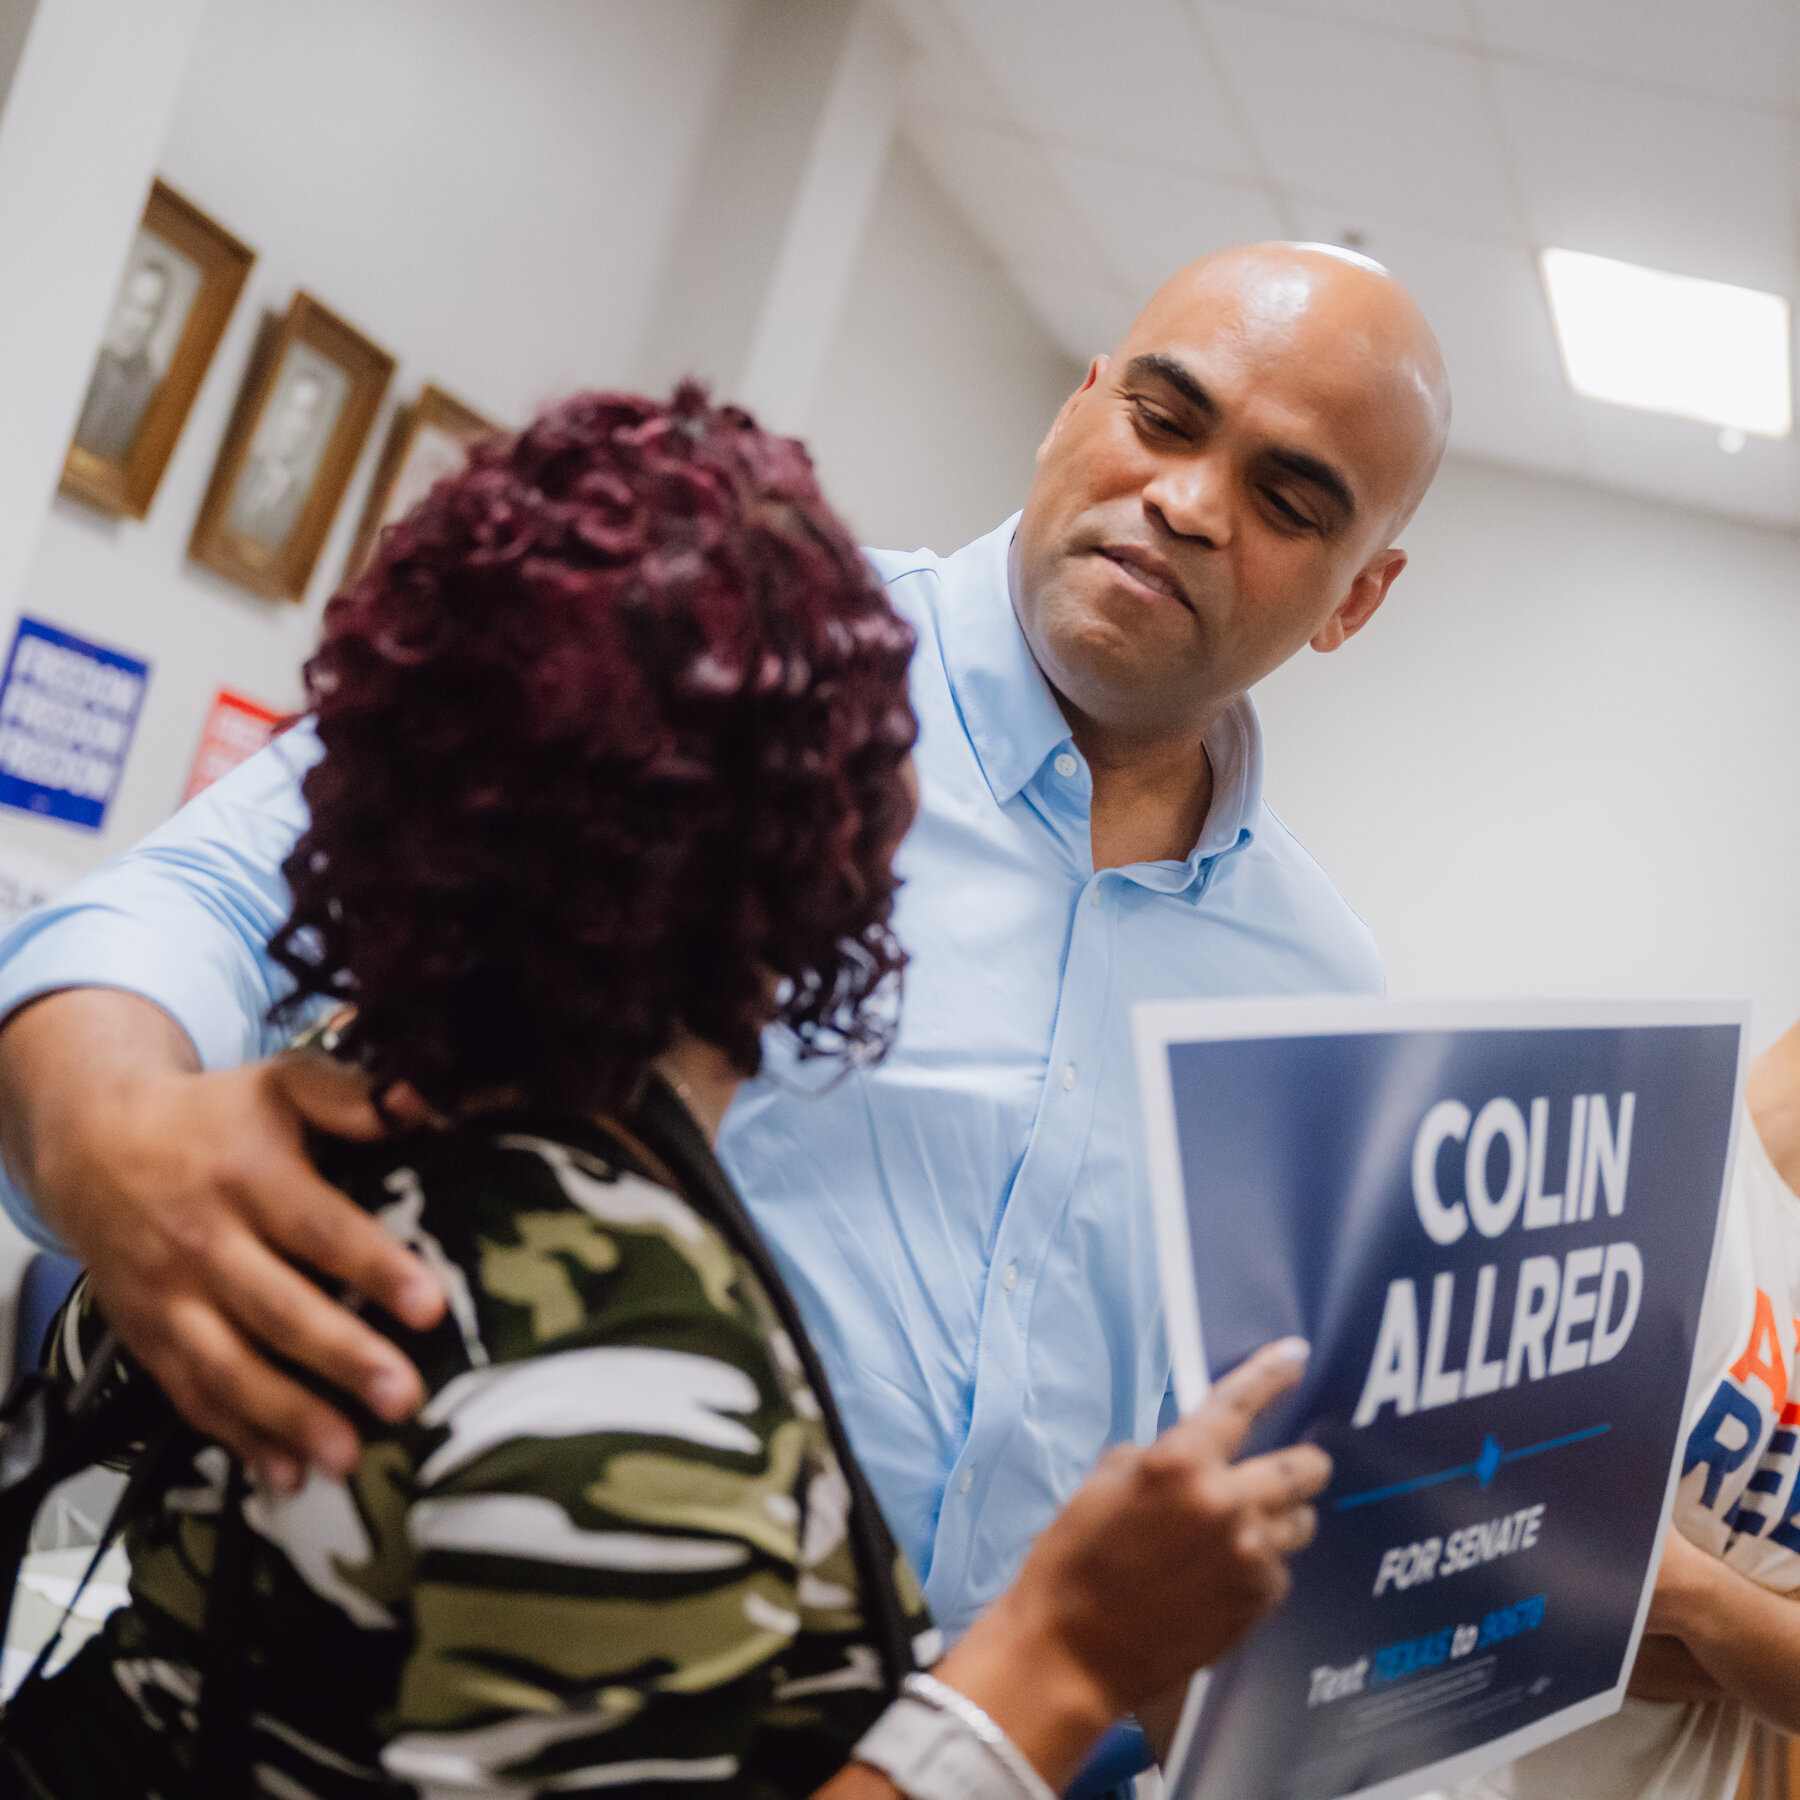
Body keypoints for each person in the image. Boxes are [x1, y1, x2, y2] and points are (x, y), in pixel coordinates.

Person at [0, 242, 1450, 1640]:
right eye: (1163, 417)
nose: (1187, 502)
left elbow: (1243, 1417)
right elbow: (202, 898)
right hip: (519, 1673)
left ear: (1360, 598)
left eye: (1287, 500)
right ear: (1077, 405)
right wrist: (108, 1129)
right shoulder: (734, 662)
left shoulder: (1317, 990)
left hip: (991, 1739)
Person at [1452, 1019, 1800, 1800]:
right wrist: (1755, 1635)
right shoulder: (1653, 1160)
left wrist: (1691, 1596)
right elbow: (1517, 1589)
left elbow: (1630, 1592)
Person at [73, 252, 175, 462]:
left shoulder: (155, 396)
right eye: (130, 303)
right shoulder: (91, 361)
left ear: (158, 319)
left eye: (146, 310)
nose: (132, 321)